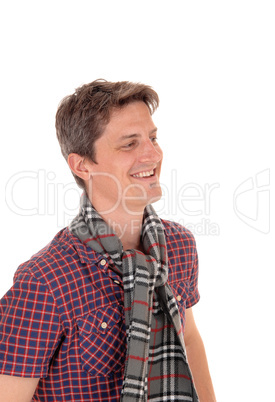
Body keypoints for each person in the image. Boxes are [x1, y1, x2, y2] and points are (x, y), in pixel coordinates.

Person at [0, 79, 216, 401]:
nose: (153, 154)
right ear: (82, 165)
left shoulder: (180, 246)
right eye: (129, 144)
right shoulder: (43, 281)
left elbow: (189, 338)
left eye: (152, 138)